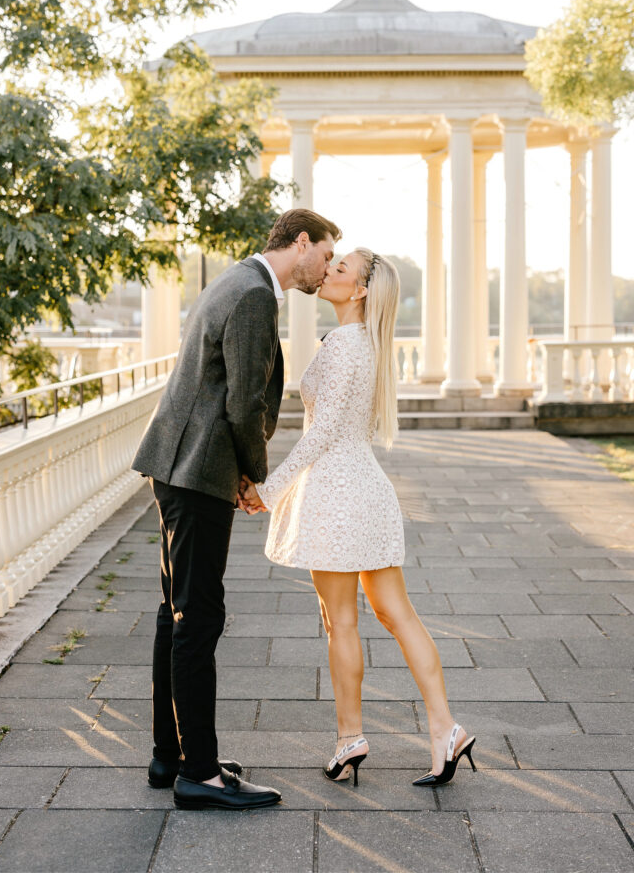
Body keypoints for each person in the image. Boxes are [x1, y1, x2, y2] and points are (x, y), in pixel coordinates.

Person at [240, 248, 476, 787]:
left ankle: (351, 737)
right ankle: (445, 728)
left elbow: (320, 435)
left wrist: (271, 489)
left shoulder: (346, 345)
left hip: (340, 495)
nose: (328, 272)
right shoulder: (361, 343)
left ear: (361, 290)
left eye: (340, 269)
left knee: (340, 621)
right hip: (360, 490)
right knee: (397, 615)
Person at [132, 208, 341, 810]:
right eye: (325, 256)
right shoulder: (254, 296)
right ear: (301, 242)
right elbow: (244, 404)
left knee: (175, 612)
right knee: (198, 618)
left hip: (177, 466)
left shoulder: (233, 279)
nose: (325, 269)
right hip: (199, 471)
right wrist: (258, 476)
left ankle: (170, 754)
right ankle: (199, 772)